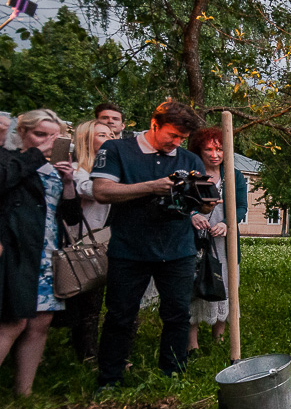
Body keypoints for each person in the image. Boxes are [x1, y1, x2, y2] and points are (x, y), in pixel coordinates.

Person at [91, 100, 208, 389]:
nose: (177, 143)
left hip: (178, 248)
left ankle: (173, 375)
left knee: (178, 314)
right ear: (154, 124)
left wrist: (206, 203)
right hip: (129, 248)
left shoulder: (189, 160)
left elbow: (199, 206)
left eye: (182, 138)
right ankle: (110, 379)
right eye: (173, 135)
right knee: (120, 315)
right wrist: (151, 187)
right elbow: (102, 191)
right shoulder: (117, 149)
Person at [0, 109, 80, 395]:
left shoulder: (55, 170)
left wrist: (68, 183)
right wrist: (35, 156)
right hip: (16, 252)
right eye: (40, 134)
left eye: (54, 137)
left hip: (48, 253)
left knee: (40, 324)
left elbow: (71, 217)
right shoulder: (9, 160)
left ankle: (24, 393)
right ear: (22, 132)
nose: (47, 141)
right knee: (12, 322)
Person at [187, 127, 248, 353]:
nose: (215, 155)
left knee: (225, 284)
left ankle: (219, 339)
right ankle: (191, 344)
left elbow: (241, 207)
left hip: (224, 242)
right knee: (193, 286)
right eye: (209, 149)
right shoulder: (191, 174)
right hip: (195, 240)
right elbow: (181, 204)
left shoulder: (234, 175)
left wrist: (227, 223)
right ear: (199, 151)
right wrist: (193, 216)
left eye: (220, 149)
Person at [66, 119, 115, 360]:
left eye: (111, 135)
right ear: (87, 140)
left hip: (102, 242)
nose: (110, 139)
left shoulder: (110, 170)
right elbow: (93, 191)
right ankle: (84, 354)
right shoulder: (77, 169)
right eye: (102, 135)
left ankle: (91, 353)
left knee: (94, 301)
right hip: (80, 243)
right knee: (81, 301)